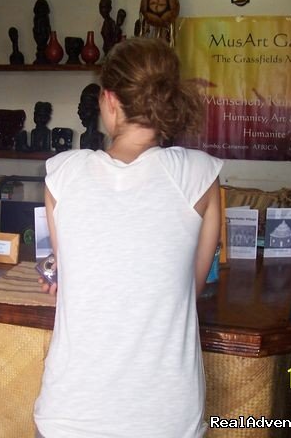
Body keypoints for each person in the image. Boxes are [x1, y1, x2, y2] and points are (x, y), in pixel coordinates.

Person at [34, 37, 222, 437]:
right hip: (167, 416)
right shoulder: (199, 176)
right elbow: (190, 285)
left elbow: (68, 265)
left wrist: (58, 269)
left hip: (71, 412)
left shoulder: (61, 175)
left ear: (109, 101)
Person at [78, 83, 104, 150]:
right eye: (80, 107)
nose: (80, 112)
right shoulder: (83, 137)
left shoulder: (99, 137)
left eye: (86, 108)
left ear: (97, 108)